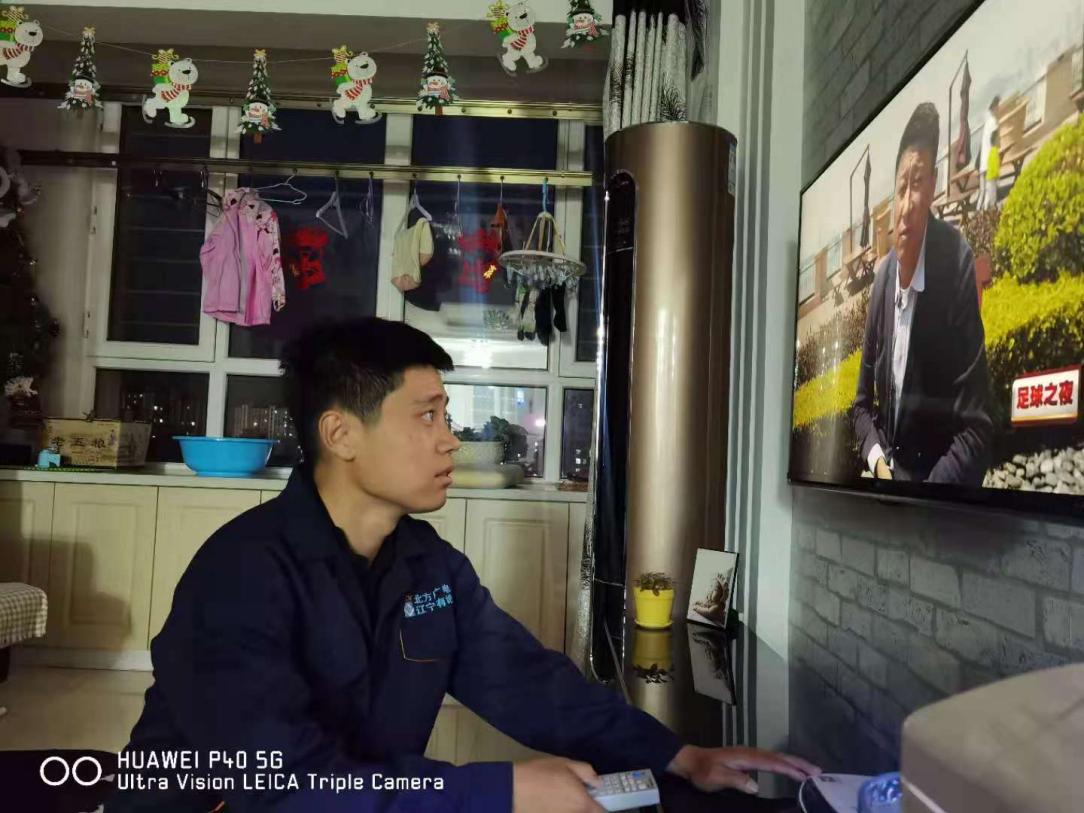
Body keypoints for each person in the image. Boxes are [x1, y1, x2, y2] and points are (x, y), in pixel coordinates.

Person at [108, 317, 818, 813]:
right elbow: (285, 786)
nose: (450, 440)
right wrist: (498, 792)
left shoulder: (429, 568)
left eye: (446, 416)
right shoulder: (239, 576)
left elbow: (529, 683)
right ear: (341, 433)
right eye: (427, 416)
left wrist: (678, 755)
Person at [853, 103, 993, 485]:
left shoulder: (955, 262)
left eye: (917, 184)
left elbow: (976, 431)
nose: (906, 205)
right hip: (886, 483)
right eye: (901, 187)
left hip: (931, 495)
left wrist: (920, 504)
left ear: (932, 186)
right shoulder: (883, 279)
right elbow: (861, 407)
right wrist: (879, 463)